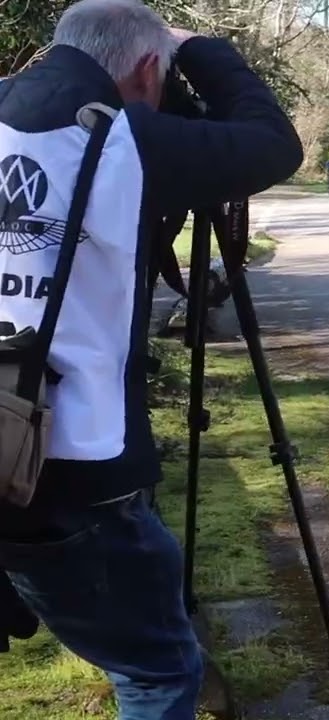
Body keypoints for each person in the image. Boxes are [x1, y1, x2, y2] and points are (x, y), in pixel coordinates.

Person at [0, 0, 303, 717]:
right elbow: (271, 143)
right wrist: (200, 49)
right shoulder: (127, 141)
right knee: (159, 673)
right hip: (72, 470)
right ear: (145, 69)